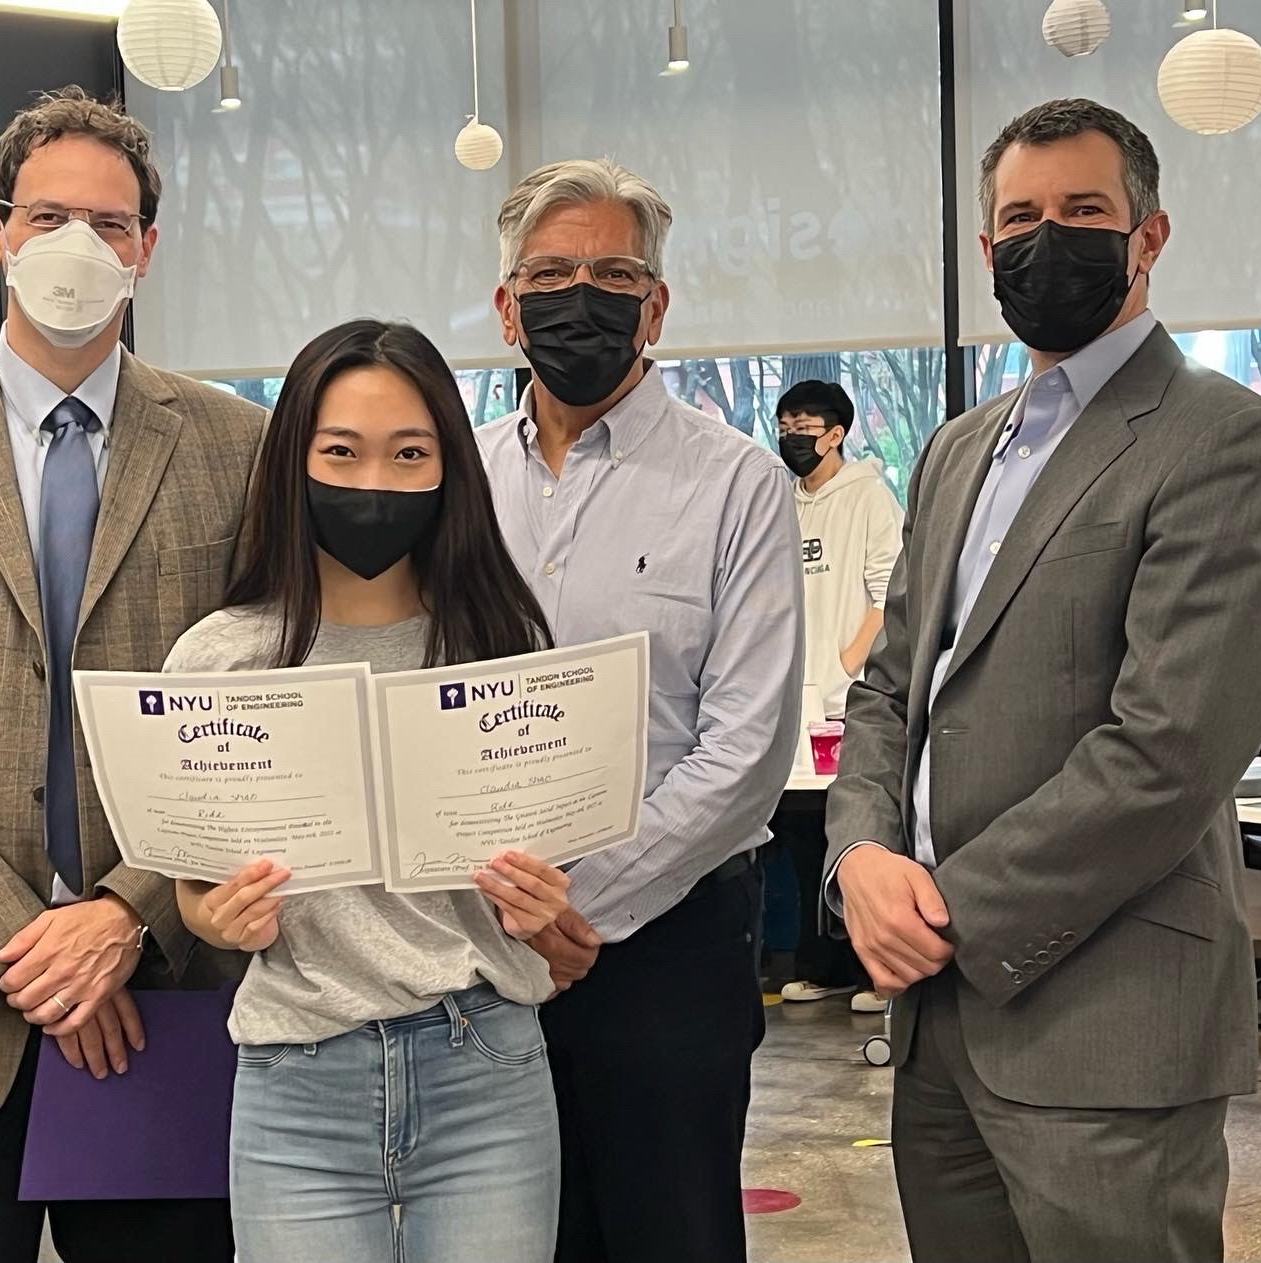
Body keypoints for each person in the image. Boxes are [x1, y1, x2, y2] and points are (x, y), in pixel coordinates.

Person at [824, 97, 1261, 1263]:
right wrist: (860, 858)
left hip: (1107, 1020)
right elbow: (892, 687)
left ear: (1150, 234)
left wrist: (946, 913)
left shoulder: (1230, 443)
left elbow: (1170, 751)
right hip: (935, 1028)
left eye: (1084, 210)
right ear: (987, 253)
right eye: (1020, 218)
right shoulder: (955, 447)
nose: (1050, 238)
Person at [0, 87, 265, 1262]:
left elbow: (254, 717)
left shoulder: (235, 448)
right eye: (47, 218)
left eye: (109, 223)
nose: (77, 249)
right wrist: (26, 947)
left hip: (164, 1001)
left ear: (147, 246)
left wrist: (123, 922)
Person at [171, 319, 567, 1263]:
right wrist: (220, 919)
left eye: (410, 453)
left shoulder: (507, 651)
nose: (373, 482)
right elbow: (189, 891)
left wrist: (541, 905)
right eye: (340, 452)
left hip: (487, 1068)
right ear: (292, 461)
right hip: (294, 1076)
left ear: (450, 468)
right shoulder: (220, 658)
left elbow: (547, 869)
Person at [479, 158, 804, 1263]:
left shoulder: (738, 483)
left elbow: (747, 751)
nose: (583, 295)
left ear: (655, 305)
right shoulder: (456, 482)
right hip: (478, 940)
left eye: (614, 273)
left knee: (674, 1233)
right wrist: (516, 918)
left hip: (670, 944)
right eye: (552, 273)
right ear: (506, 306)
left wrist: (580, 909)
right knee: (515, 1235)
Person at [772, 379, 901, 1012]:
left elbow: (889, 597)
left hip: (846, 698)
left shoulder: (870, 498)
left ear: (836, 433)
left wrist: (848, 667)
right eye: (785, 424)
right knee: (797, 837)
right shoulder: (781, 501)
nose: (793, 435)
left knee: (853, 831)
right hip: (790, 699)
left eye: (805, 424)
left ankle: (872, 966)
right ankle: (819, 965)